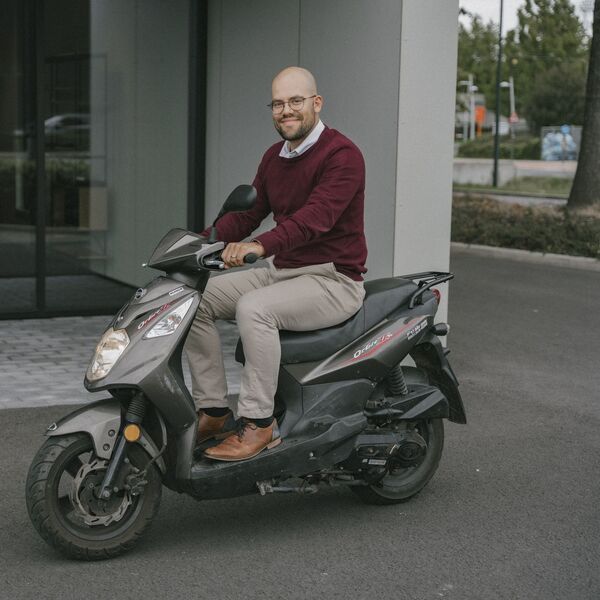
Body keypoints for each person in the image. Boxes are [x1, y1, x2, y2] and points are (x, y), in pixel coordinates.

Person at [185, 66, 368, 462]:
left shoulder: (342, 155)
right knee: (191, 299)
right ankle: (214, 410)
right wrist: (199, 242)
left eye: (296, 101)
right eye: (279, 103)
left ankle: (259, 423)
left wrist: (258, 246)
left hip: (332, 279)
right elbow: (249, 216)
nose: (286, 110)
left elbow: (315, 218)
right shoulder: (274, 157)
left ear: (316, 104)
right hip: (282, 272)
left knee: (255, 309)